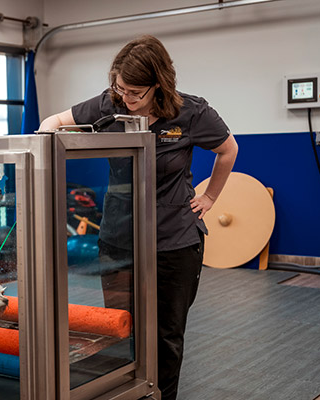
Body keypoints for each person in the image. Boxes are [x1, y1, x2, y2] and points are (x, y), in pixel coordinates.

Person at [38, 35, 238, 400]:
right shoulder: (108, 104)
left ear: (158, 85)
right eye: (120, 88)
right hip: (119, 239)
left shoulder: (191, 112)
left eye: (135, 92)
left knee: (165, 336)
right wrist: (41, 147)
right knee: (122, 329)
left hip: (173, 242)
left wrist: (210, 196)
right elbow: (54, 121)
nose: (125, 99)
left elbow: (228, 149)